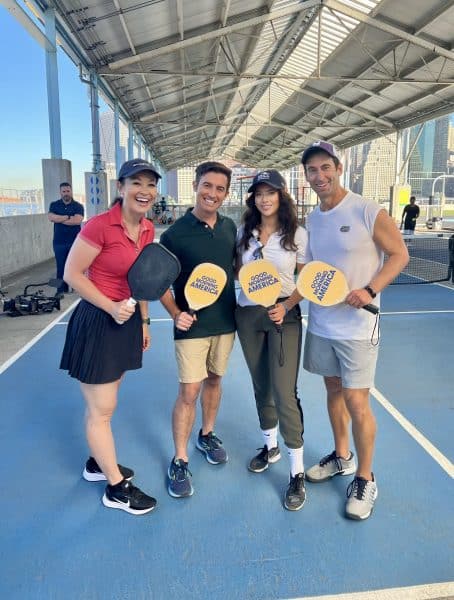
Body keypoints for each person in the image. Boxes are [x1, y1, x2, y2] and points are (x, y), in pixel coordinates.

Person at [301, 141, 409, 520]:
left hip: (359, 329)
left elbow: (400, 255)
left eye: (325, 168)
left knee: (357, 402)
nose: (319, 176)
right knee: (332, 390)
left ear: (338, 167)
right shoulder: (313, 219)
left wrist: (370, 290)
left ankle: (365, 477)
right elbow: (311, 269)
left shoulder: (367, 210)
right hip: (321, 323)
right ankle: (342, 456)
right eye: (312, 170)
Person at [60, 159, 162, 515]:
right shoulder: (99, 226)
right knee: (101, 411)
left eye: (150, 184)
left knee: (109, 402)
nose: (144, 191)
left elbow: (145, 279)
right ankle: (115, 489)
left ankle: (95, 464)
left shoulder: (147, 229)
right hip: (99, 321)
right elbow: (72, 274)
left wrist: (145, 321)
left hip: (127, 322)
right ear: (121, 187)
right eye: (137, 183)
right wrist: (110, 306)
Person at [159, 161, 237, 499]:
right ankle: (179, 458)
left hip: (225, 322)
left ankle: (206, 434)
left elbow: (239, 269)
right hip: (191, 326)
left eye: (220, 189)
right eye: (208, 186)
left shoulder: (231, 227)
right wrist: (176, 313)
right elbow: (160, 281)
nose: (213, 194)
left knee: (215, 380)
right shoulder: (174, 234)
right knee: (189, 391)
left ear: (226, 193)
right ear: (196, 185)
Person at [236, 170, 308, 511]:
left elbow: (306, 278)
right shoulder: (243, 232)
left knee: (283, 392)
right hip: (248, 316)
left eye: (270, 192)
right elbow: (238, 270)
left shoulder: (297, 234)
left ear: (281, 196)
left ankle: (297, 473)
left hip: (285, 318)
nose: (264, 198)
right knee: (261, 386)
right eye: (259, 193)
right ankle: (271, 447)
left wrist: (286, 304)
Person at [48, 183, 84, 294]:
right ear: (60, 192)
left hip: (74, 242)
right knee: (60, 266)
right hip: (59, 242)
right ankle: (60, 290)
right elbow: (51, 217)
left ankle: (75, 287)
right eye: (64, 191)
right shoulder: (54, 205)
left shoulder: (78, 206)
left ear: (71, 191)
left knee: (74, 266)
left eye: (68, 191)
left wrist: (60, 218)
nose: (66, 194)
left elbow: (77, 221)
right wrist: (68, 217)